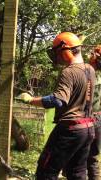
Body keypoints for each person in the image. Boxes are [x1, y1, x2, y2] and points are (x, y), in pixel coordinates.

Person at [19, 32, 96, 179]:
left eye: (57, 52)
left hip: (70, 129)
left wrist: (30, 100)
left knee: (46, 171)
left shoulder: (69, 72)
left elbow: (57, 100)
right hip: (87, 129)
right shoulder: (90, 70)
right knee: (77, 173)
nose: (57, 56)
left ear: (66, 50)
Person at [87, 45, 101, 179]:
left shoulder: (87, 74)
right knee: (93, 158)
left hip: (86, 119)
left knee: (77, 156)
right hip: (97, 119)